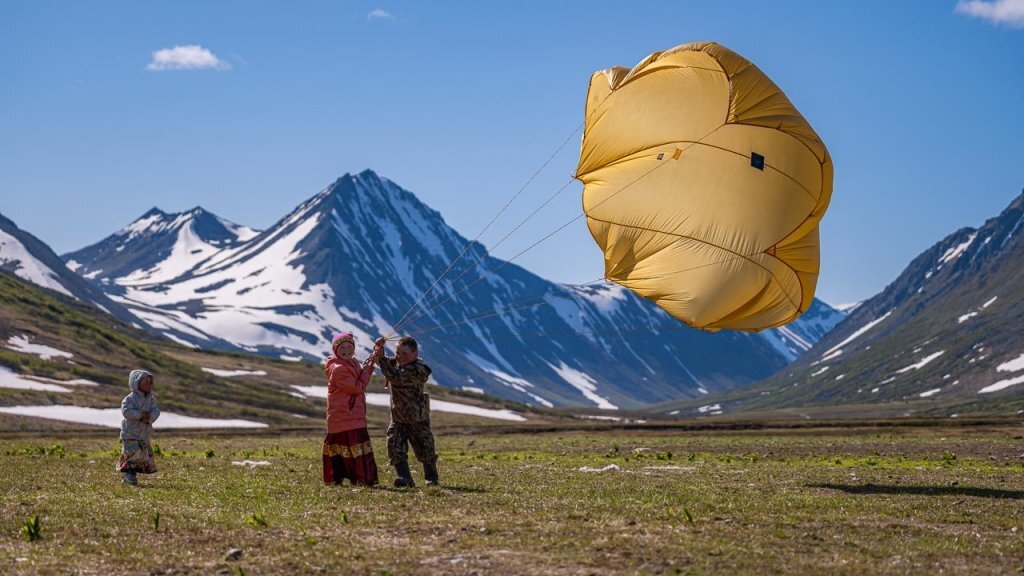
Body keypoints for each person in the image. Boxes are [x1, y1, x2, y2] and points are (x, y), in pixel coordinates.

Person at [373, 336, 438, 487]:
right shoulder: (396, 363)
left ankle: (431, 479)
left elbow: (395, 377)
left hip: (417, 418)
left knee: (425, 449)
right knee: (394, 447)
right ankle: (405, 478)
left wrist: (382, 359)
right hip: (398, 418)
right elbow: (381, 361)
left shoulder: (418, 370)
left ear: (415, 354)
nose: (400, 357)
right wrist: (378, 349)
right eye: (397, 353)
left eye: (405, 353)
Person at [322, 333, 379, 486]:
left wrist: (373, 358)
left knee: (348, 448)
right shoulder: (339, 369)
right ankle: (361, 478)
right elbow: (356, 388)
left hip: (351, 415)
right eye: (342, 347)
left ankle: (350, 478)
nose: (346, 350)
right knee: (354, 446)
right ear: (335, 350)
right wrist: (368, 370)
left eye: (349, 346)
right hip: (345, 416)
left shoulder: (352, 362)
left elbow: (360, 374)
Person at [116, 369, 160, 486]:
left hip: (143, 433)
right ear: (136, 383)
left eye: (150, 382)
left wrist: (149, 417)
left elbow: (156, 411)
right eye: (146, 382)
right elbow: (126, 411)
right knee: (132, 454)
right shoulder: (129, 399)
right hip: (130, 433)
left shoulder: (151, 400)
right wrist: (140, 415)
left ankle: (133, 474)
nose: (149, 385)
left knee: (141, 455)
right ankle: (129, 474)